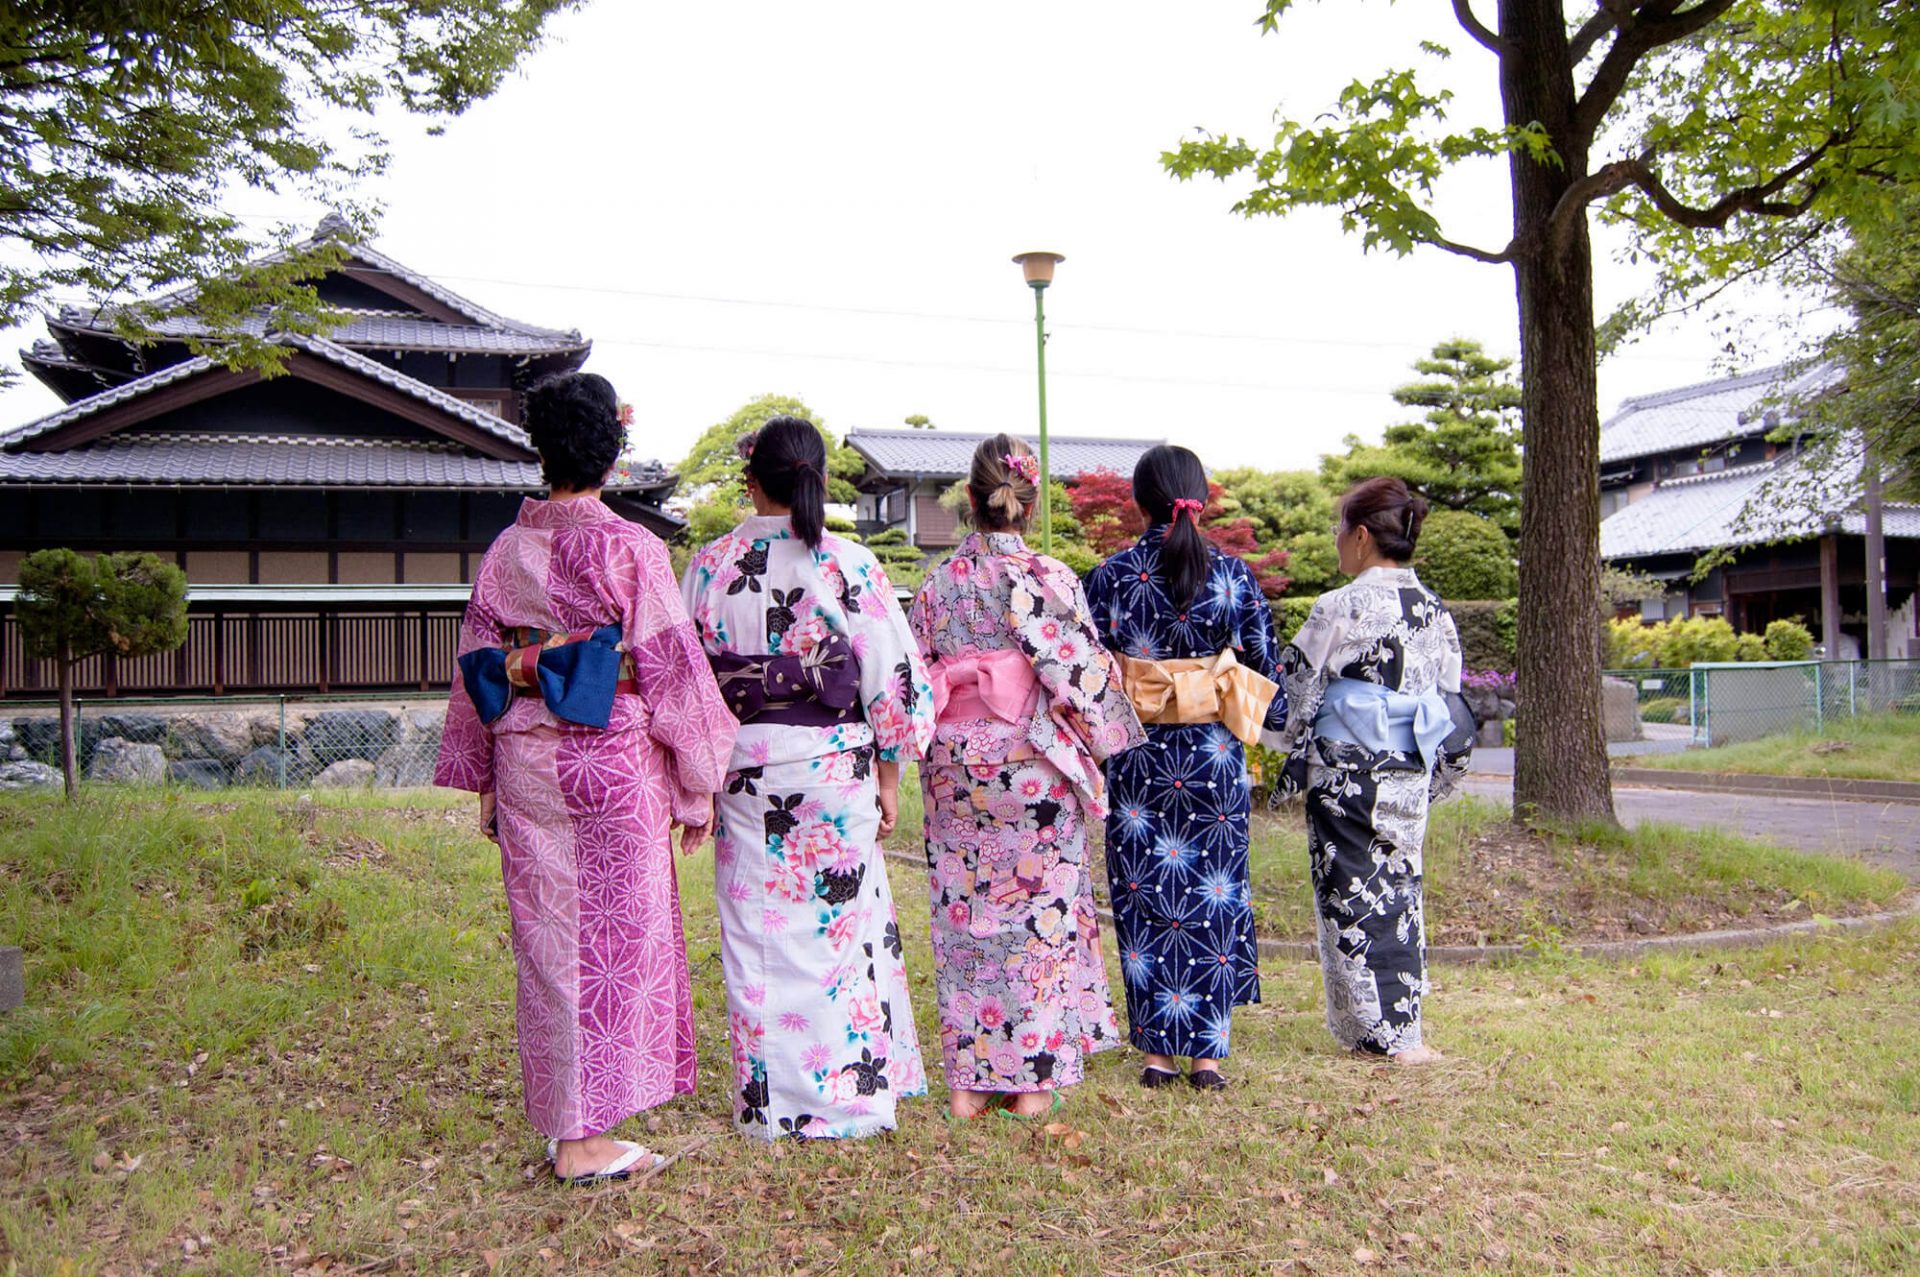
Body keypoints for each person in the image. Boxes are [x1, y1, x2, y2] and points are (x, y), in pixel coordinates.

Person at [434, 372, 738, 1184]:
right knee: (617, 940)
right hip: (611, 763)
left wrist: (488, 775)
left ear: (542, 451)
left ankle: (574, 1122)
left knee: (550, 940)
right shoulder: (632, 548)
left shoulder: (507, 550)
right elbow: (673, 671)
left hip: (528, 758)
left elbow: (479, 667)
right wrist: (700, 779)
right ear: (613, 451)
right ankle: (586, 1138)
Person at [680, 416, 934, 1140]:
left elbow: (685, 686)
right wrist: (889, 777)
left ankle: (771, 1105)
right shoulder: (849, 564)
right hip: (833, 765)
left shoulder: (709, 565)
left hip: (745, 768)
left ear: (751, 478)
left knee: (755, 932)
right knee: (838, 927)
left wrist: (693, 780)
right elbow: (893, 680)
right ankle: (849, 1100)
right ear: (815, 478)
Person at [909, 436, 1145, 1121]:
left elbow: (912, 679)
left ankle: (966, 1085)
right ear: (1026, 501)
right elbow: (1083, 676)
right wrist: (1105, 738)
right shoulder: (1047, 577)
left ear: (970, 498)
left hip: (953, 762)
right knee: (1037, 916)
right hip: (1030, 766)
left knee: (965, 914)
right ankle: (1032, 1081)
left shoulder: (935, 584)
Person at [1085, 445, 1286, 1091]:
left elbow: (1085, 667)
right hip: (1213, 755)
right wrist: (1211, 680)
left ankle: (1156, 1054)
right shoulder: (1232, 573)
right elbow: (1266, 667)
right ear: (1201, 497)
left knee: (1146, 895)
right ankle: (1207, 1055)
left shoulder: (1112, 575)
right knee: (1214, 893)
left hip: (1139, 753)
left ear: (1140, 501)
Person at [1269, 476, 1474, 1064]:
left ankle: (1370, 1030)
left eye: (1339, 530)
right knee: (1401, 891)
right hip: (1408, 767)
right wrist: (1439, 773)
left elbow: (1298, 691)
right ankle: (1402, 1028)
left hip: (1346, 774)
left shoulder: (1339, 606)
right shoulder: (1436, 611)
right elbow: (1450, 701)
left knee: (1349, 894)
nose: (1337, 541)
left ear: (1361, 537)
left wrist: (1276, 740)